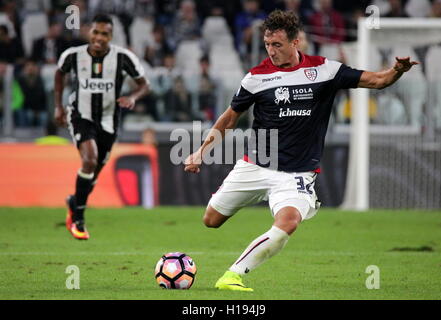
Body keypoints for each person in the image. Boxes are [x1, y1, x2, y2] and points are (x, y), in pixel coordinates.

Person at [184, 10, 418, 291]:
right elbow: (229, 118)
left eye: (278, 45)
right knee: (211, 220)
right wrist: (201, 151)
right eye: (268, 45)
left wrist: (397, 71)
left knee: (289, 222)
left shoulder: (325, 70)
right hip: (256, 165)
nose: (271, 51)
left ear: (296, 42)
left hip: (296, 173)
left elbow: (377, 81)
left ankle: (233, 274)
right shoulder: (256, 77)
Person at [54, 14, 150, 240]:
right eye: (95, 32)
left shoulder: (123, 58)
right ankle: (78, 219)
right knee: (89, 160)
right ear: (89, 32)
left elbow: (145, 85)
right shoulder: (73, 56)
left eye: (104, 34)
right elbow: (59, 74)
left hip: (109, 120)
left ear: (111, 36)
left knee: (94, 173)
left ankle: (74, 202)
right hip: (81, 115)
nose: (99, 38)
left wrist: (133, 97)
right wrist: (58, 106)